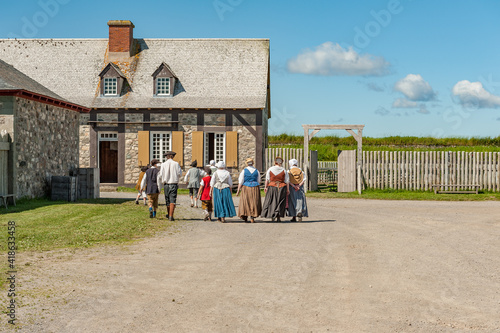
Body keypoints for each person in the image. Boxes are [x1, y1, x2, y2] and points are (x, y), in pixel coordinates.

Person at [261, 156, 289, 222]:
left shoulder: (270, 169)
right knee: (280, 202)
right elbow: (287, 181)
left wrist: (265, 187)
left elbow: (267, 179)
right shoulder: (284, 170)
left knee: (272, 201)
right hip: (281, 187)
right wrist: (288, 190)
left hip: (272, 186)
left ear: (275, 162)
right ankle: (278, 216)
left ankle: (272, 215)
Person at [158, 151, 182, 221]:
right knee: (173, 199)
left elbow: (161, 174)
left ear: (167, 157)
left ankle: (169, 214)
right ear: (172, 156)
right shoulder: (176, 164)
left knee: (167, 200)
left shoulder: (163, 164)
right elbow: (179, 174)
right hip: (173, 183)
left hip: (166, 184)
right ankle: (171, 216)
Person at [236, 158, 262, 223]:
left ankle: (245, 217)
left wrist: (238, 190)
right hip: (255, 187)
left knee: (245, 202)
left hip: (246, 187)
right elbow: (259, 180)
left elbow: (241, 181)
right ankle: (252, 218)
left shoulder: (244, 171)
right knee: (254, 202)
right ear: (252, 163)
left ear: (247, 164)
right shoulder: (257, 171)